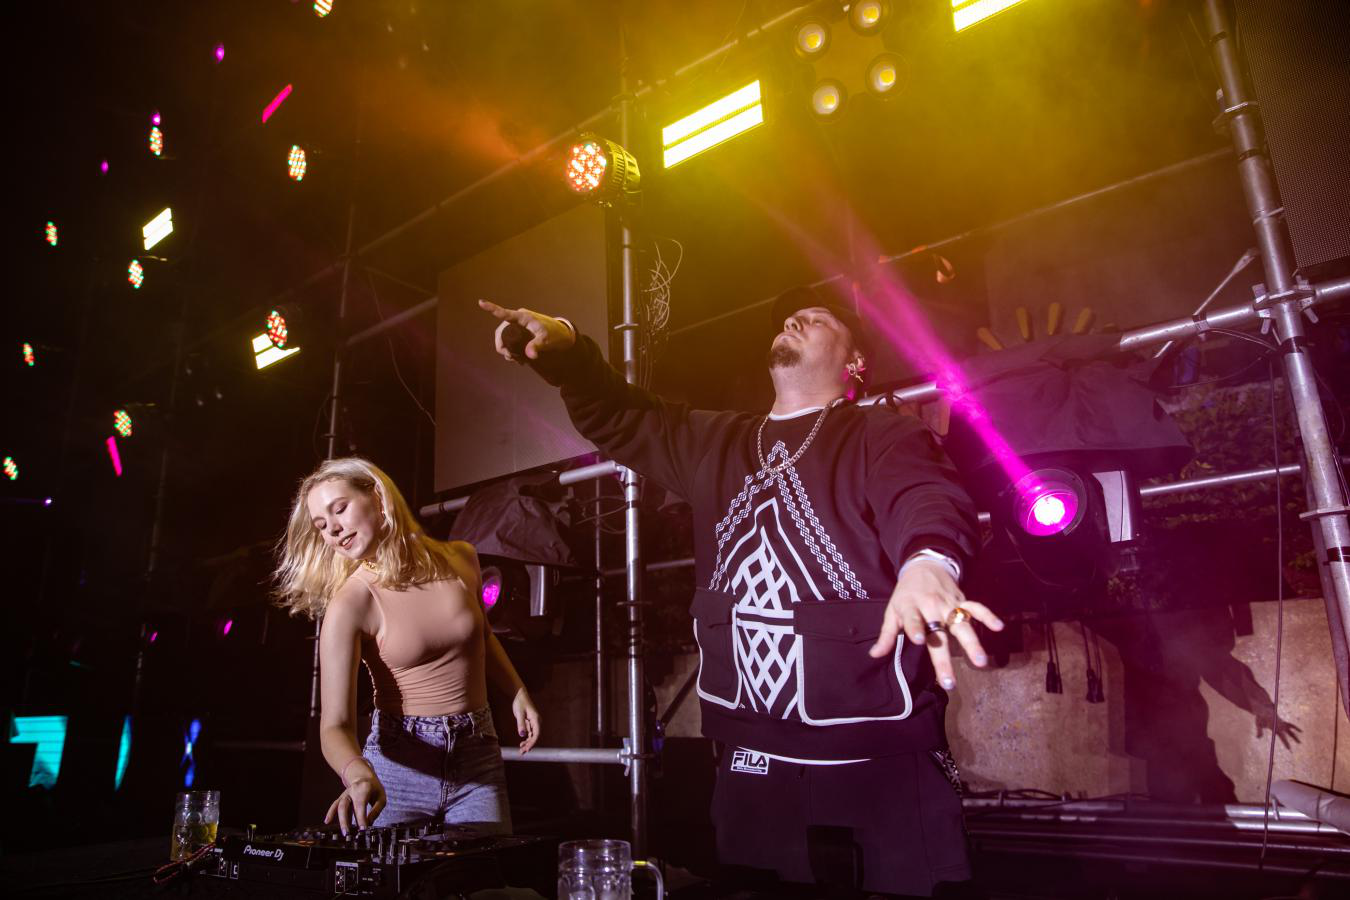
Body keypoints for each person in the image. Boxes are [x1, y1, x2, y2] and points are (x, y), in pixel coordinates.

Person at [480, 287, 1001, 896]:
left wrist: (929, 562)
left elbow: (925, 495)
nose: (794, 320)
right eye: (789, 317)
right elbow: (622, 416)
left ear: (856, 361)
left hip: (875, 756)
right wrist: (567, 351)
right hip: (751, 760)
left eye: (817, 319)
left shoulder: (881, 434)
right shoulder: (717, 442)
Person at [273, 457, 540, 835]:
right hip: (398, 770)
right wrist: (357, 774)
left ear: (378, 497)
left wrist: (517, 691)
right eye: (321, 525)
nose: (332, 528)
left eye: (339, 509)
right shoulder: (350, 604)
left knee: (484, 872)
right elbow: (334, 726)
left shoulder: (462, 558)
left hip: (477, 757)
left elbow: (482, 636)